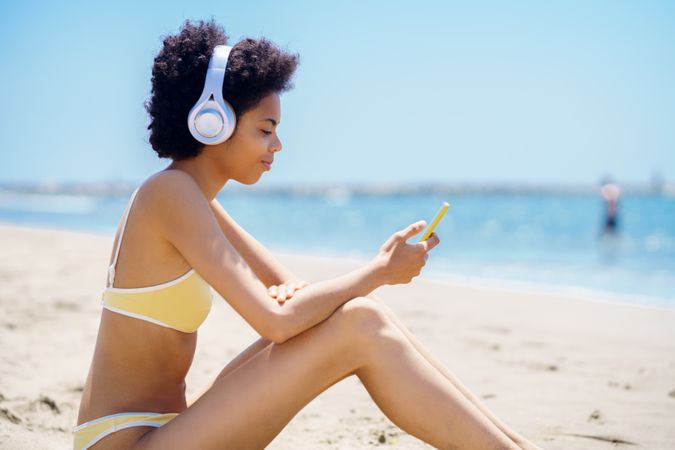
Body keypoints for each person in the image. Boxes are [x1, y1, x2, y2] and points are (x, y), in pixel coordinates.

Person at [74, 19, 538, 450]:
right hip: (127, 442)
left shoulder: (196, 200)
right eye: (265, 129)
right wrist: (378, 272)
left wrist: (361, 283)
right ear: (212, 121)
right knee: (360, 321)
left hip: (167, 431)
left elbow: (288, 290)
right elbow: (275, 322)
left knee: (361, 313)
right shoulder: (170, 194)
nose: (277, 145)